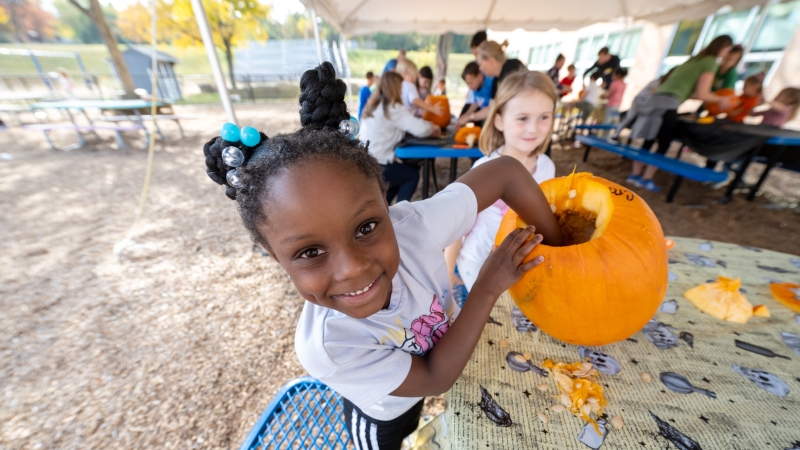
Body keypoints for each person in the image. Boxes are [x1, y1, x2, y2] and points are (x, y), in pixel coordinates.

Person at [202, 61, 563, 450]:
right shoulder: (329, 345)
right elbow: (435, 376)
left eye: (366, 228)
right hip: (381, 417)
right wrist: (487, 287)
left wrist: (562, 246)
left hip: (418, 381)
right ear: (276, 257)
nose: (353, 267)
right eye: (309, 252)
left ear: (385, 201)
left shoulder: (412, 228)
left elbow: (507, 172)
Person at [445, 71, 557, 292]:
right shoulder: (485, 169)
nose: (533, 128)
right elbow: (457, 224)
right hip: (478, 265)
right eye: (522, 118)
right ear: (499, 120)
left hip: (521, 267)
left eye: (544, 117)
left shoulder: (547, 167)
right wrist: (447, 274)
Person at [626, 35, 734, 192]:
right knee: (664, 143)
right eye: (727, 51)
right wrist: (721, 99)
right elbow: (702, 94)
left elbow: (690, 92)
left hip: (655, 100)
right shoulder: (710, 62)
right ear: (723, 48)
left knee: (648, 140)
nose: (726, 56)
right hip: (669, 103)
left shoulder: (693, 60)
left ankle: (634, 175)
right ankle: (646, 178)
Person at [360, 72, 441, 204]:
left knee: (397, 179)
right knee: (412, 175)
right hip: (379, 164)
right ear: (395, 88)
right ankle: (401, 212)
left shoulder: (373, 106)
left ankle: (387, 211)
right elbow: (420, 129)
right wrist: (432, 127)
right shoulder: (392, 108)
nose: (401, 91)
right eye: (400, 87)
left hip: (366, 162)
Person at [454, 40, 527, 128]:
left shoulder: (513, 67)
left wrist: (470, 117)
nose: (480, 69)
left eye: (480, 64)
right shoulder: (495, 81)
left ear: (490, 61)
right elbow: (491, 108)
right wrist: (469, 117)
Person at [457, 61, 494, 127]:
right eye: (468, 84)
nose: (470, 87)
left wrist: (469, 117)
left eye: (471, 83)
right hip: (483, 113)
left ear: (480, 76)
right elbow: (476, 102)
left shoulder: (491, 84)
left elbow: (491, 108)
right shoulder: (476, 87)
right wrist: (466, 115)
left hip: (491, 117)